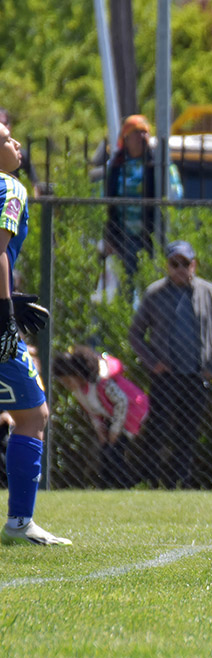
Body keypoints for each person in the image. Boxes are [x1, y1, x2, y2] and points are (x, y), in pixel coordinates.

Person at [0, 120, 70, 546]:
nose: (17, 143)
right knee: (33, 415)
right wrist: (5, 314)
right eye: (6, 139)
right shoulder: (9, 187)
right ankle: (20, 523)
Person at [129, 240, 212, 488]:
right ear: (167, 265)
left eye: (185, 263)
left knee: (188, 432)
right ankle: (152, 481)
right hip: (166, 376)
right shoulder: (155, 294)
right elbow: (135, 334)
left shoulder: (209, 292)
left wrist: (211, 367)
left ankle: (181, 480)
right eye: (174, 264)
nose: (180, 269)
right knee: (158, 429)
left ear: (194, 264)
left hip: (196, 375)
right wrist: (153, 363)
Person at [53, 347, 149, 488]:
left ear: (78, 374)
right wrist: (101, 432)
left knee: (116, 452)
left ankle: (125, 486)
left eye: (68, 381)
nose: (67, 386)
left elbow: (122, 402)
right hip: (114, 418)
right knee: (105, 452)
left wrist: (115, 431)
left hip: (132, 412)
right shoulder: (79, 391)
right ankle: (108, 486)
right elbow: (93, 412)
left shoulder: (102, 384)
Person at [105, 114, 183, 281]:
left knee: (150, 279)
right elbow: (106, 202)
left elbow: (175, 194)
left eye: (145, 132)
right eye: (136, 132)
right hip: (123, 236)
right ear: (126, 138)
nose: (142, 137)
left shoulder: (158, 163)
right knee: (127, 282)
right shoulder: (117, 165)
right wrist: (109, 236)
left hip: (152, 235)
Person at [0, 108, 42, 197]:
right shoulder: (12, 189)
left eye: (6, 123)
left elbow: (34, 184)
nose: (17, 144)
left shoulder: (22, 155)